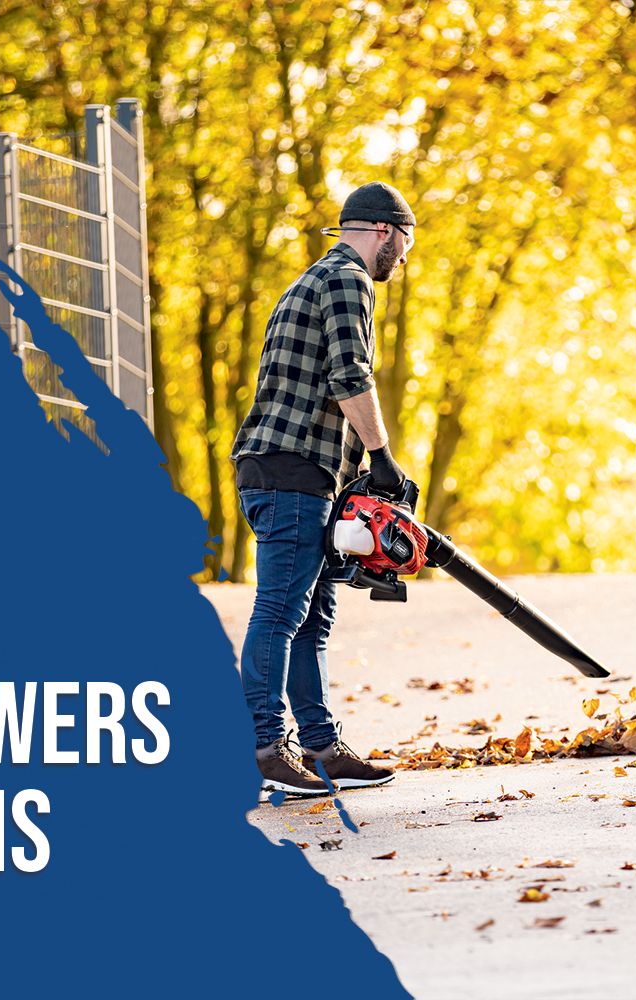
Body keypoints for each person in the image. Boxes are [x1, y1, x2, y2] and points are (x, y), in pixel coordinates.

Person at [232, 181, 418, 796]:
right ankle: (264, 745)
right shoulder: (348, 279)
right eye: (406, 244)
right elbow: (349, 373)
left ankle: (321, 748)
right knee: (282, 610)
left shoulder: (310, 278)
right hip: (289, 470)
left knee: (312, 616)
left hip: (297, 469)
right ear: (386, 231)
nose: (404, 259)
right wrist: (382, 456)